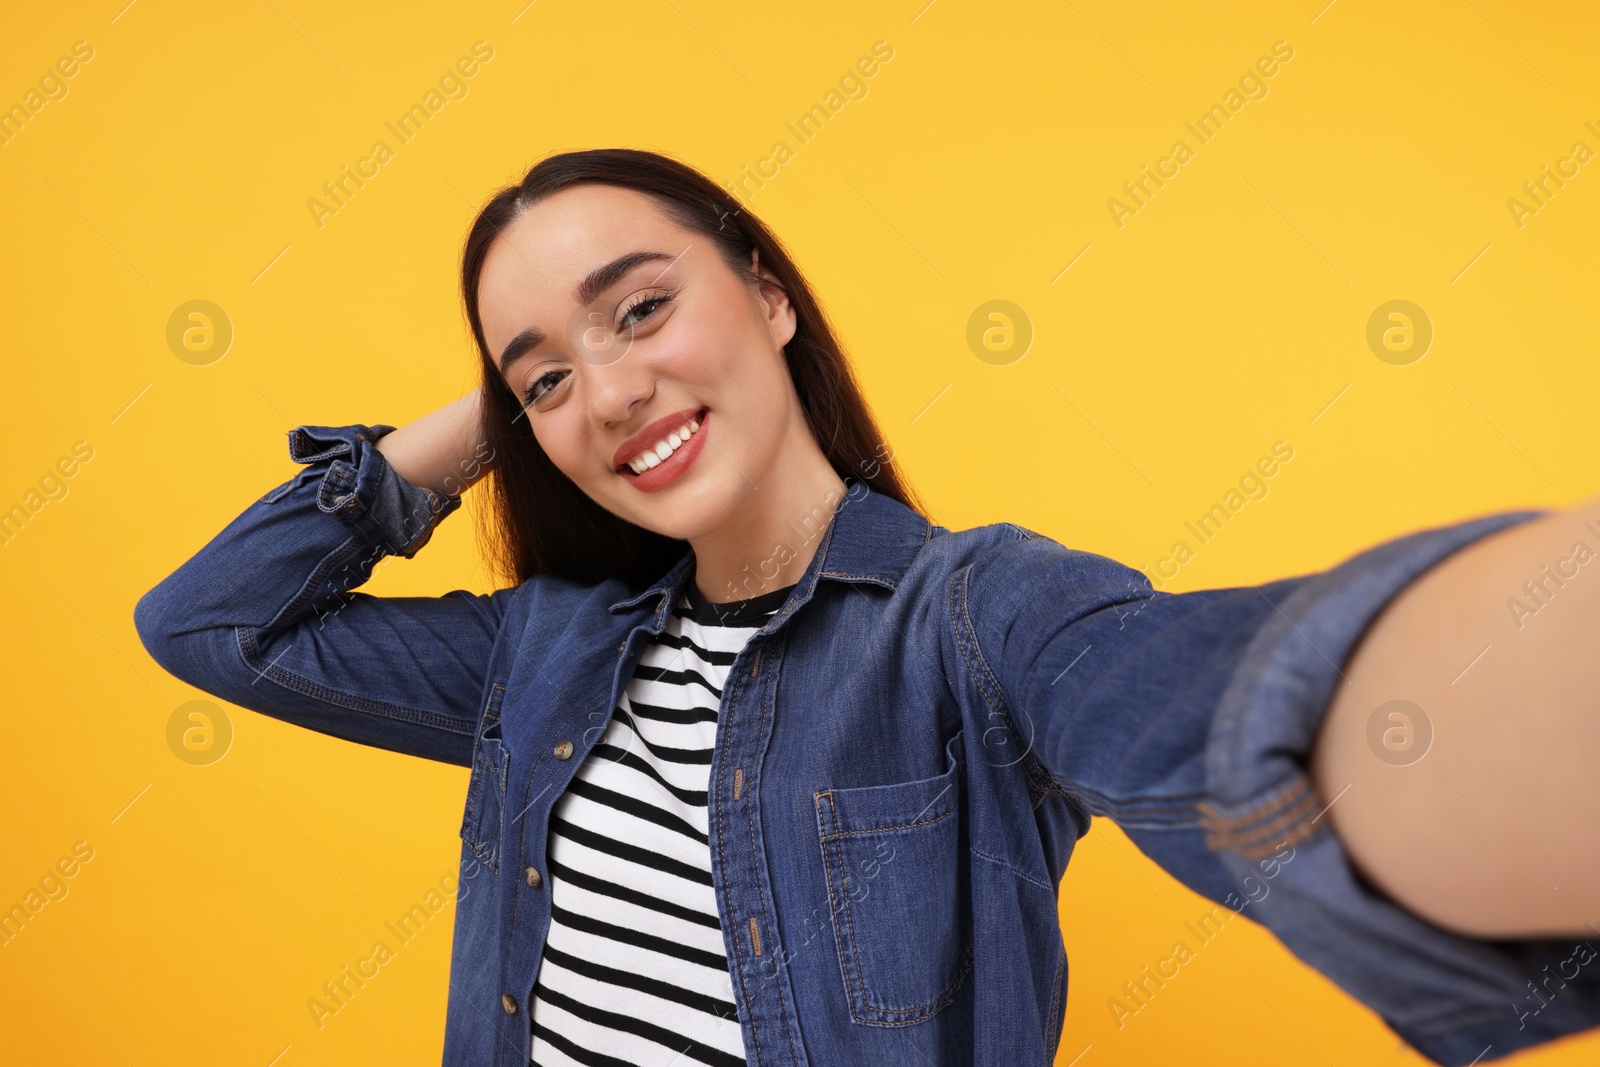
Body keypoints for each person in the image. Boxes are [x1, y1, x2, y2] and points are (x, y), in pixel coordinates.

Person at [134, 148, 1600, 1067]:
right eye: (547, 376)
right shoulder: (543, 652)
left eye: (644, 307)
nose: (615, 386)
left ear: (769, 295)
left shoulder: (979, 621)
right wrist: (513, 403)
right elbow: (211, 624)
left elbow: (1214, 707)